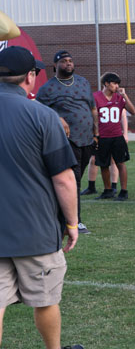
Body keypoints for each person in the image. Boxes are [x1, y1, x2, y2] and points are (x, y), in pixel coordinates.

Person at [0, 46, 83, 349]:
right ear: (30, 77)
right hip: (35, 229)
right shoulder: (43, 115)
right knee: (46, 299)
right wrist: (72, 223)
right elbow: (63, 178)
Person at [36, 50, 99, 235]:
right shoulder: (47, 88)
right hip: (66, 140)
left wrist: (96, 132)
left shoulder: (83, 82)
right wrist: (57, 117)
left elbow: (92, 108)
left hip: (87, 139)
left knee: (76, 179)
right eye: (64, 61)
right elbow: (37, 109)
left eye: (70, 60)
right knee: (73, 179)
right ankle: (75, 222)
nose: (68, 63)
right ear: (55, 66)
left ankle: (61, 216)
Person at [93, 72, 135, 201]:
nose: (117, 86)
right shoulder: (96, 97)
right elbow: (93, 117)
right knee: (103, 164)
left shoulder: (119, 97)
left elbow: (133, 111)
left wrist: (125, 96)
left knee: (120, 163)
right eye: (114, 83)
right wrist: (95, 135)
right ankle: (108, 190)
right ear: (106, 83)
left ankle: (124, 191)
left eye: (118, 83)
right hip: (102, 136)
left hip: (117, 136)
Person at [80, 109, 128, 196]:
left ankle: (113, 186)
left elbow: (123, 114)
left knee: (113, 160)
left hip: (113, 134)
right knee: (94, 159)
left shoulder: (116, 101)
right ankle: (91, 186)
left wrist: (125, 133)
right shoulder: (96, 101)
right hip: (100, 135)